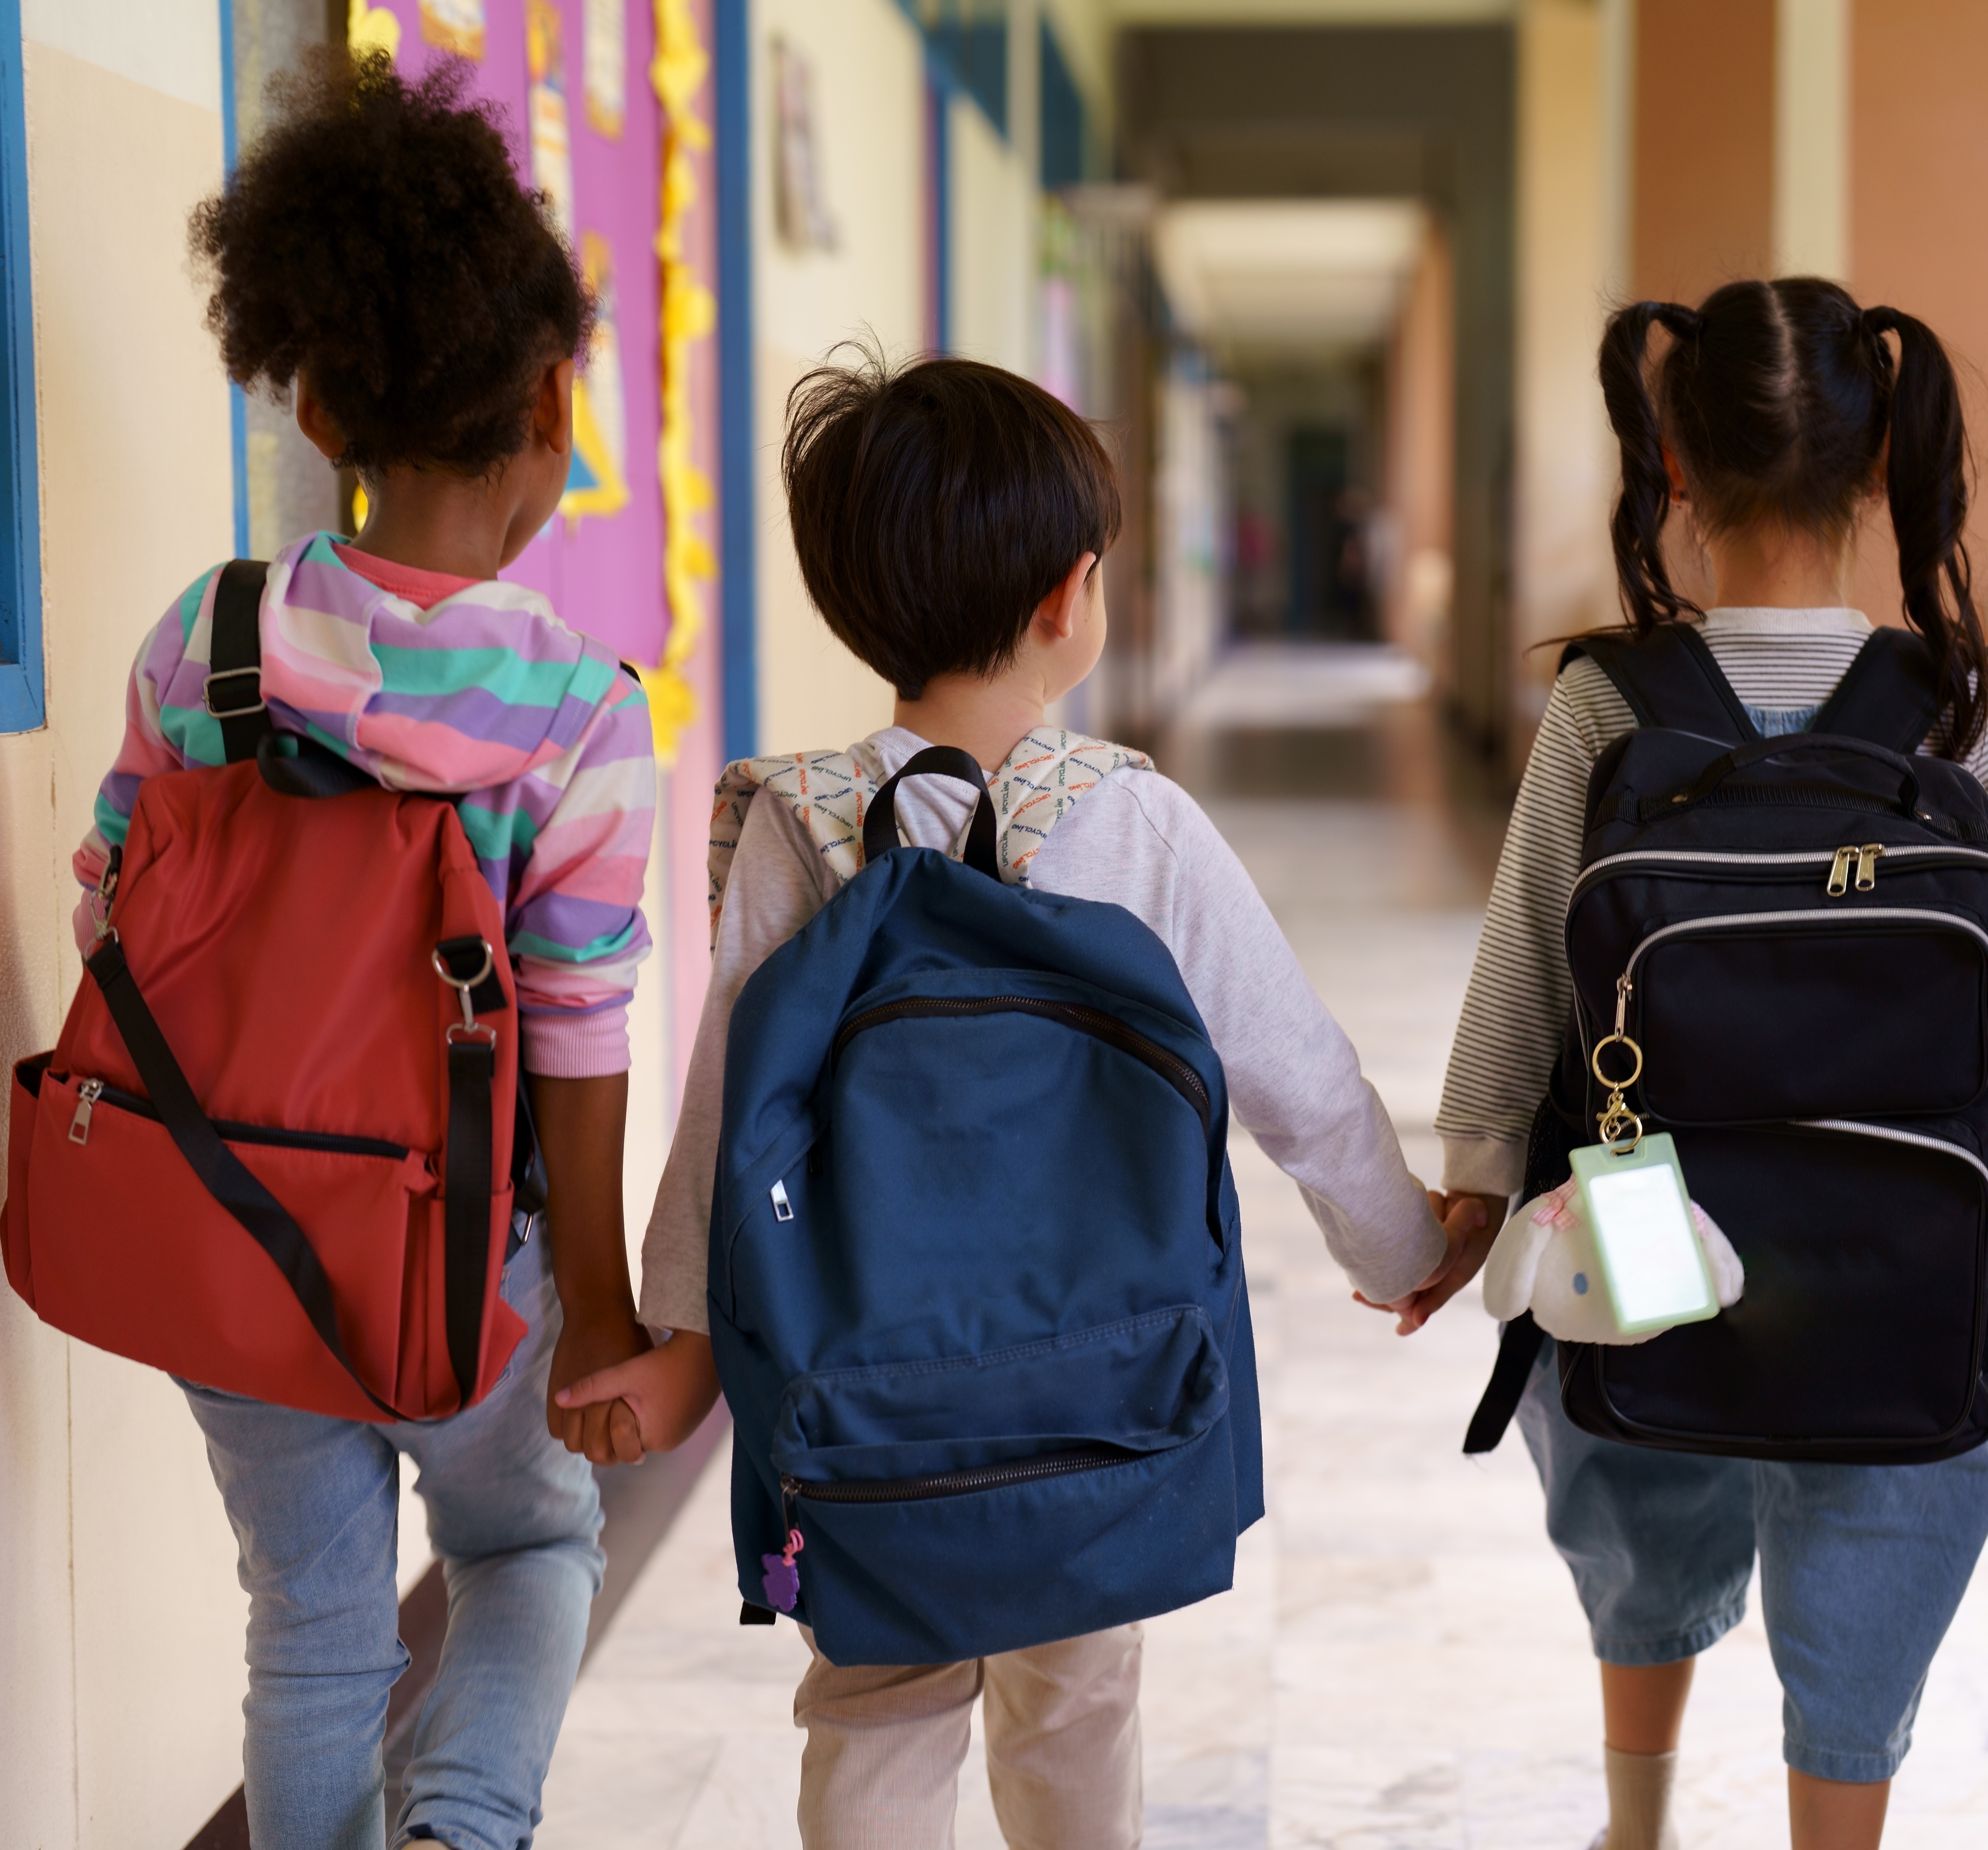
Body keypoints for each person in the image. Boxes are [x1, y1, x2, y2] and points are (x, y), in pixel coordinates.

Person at [559, 349, 1479, 1848]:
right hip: (1096, 1390)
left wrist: (683, 1346)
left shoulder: (786, 823)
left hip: (857, 1396)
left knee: (874, 1701)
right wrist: (1399, 1243)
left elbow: (728, 1116)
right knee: (1076, 1700)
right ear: (1070, 599)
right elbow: (1292, 1070)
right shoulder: (1134, 819)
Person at [74, 52, 668, 1849]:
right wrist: (606, 1316)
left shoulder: (212, 641)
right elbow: (573, 1031)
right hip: (463, 1265)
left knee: (311, 1628)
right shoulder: (572, 711)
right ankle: (461, 1832)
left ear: (318, 401)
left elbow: (114, 909)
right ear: (555, 406)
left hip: (233, 1231)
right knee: (527, 1541)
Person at [1404, 278, 1988, 1850]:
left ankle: (1633, 1826)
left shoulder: (1606, 700)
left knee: (1637, 1479)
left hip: (1646, 1204)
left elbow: (1522, 960)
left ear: (1674, 467)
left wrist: (1474, 1176)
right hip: (1901, 1223)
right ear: (1870, 473)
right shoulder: (1951, 699)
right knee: (1874, 1517)